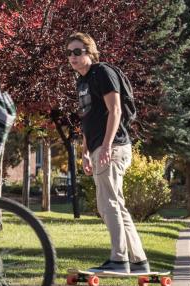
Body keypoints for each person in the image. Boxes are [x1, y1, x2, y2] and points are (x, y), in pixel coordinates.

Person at [68, 32, 149, 273]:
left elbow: (115, 111)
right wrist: (85, 151)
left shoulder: (102, 73)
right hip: (98, 148)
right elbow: (87, 119)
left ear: (90, 52)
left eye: (77, 51)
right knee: (114, 204)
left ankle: (119, 259)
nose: (72, 57)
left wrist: (105, 146)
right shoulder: (81, 81)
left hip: (112, 147)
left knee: (109, 204)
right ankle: (138, 260)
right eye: (69, 52)